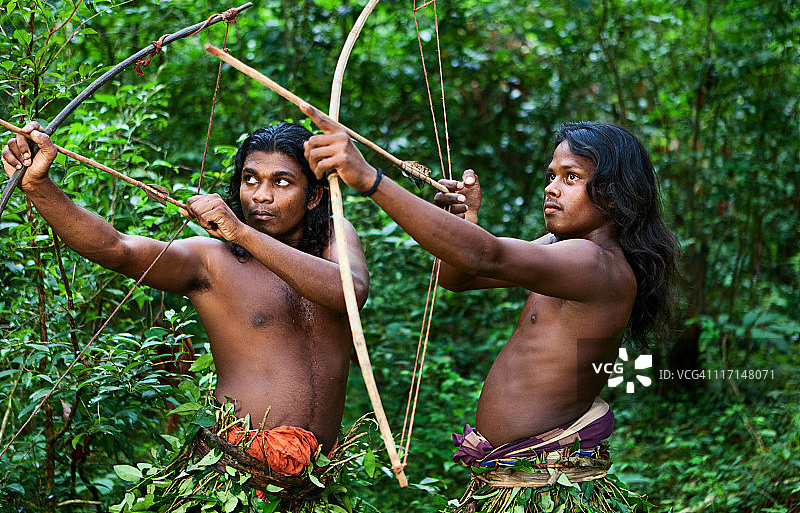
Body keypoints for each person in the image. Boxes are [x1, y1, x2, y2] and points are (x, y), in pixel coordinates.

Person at [300, 103, 676, 511]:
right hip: (511, 478)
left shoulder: (596, 264)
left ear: (614, 193)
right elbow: (460, 278)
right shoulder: (561, 250)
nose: (552, 188)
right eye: (551, 175)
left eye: (572, 177)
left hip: (541, 485)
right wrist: (469, 219)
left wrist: (371, 180)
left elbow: (486, 257)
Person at [1, 121, 368, 486]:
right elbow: (117, 249)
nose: (260, 195)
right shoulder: (211, 260)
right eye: (250, 179)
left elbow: (348, 291)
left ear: (315, 196)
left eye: (282, 182)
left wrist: (243, 233)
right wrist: (37, 185)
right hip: (236, 478)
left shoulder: (335, 238)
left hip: (321, 477)